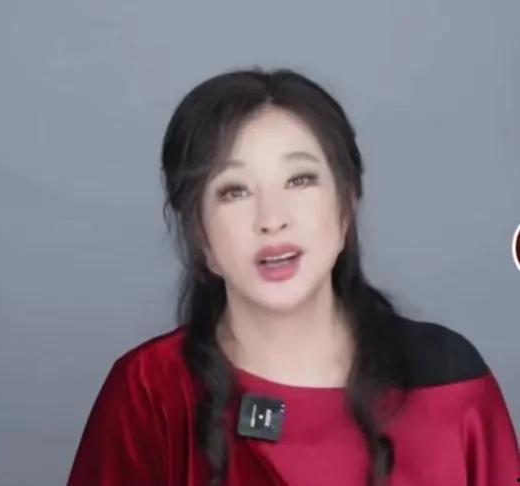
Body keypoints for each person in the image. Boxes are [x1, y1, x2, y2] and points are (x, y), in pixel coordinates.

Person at [67, 67, 519, 486]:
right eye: (234, 191)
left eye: (300, 180)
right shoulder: (151, 390)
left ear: (347, 203)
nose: (272, 219)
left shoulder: (449, 382)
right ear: (200, 233)